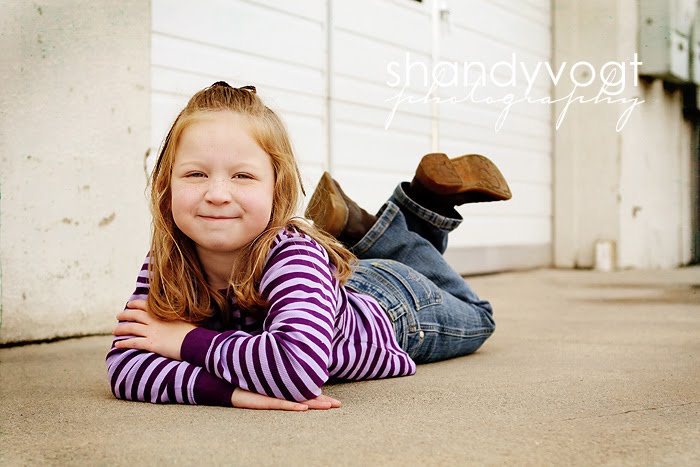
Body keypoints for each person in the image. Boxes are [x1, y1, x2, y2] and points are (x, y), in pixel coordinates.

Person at [107, 81, 511, 412]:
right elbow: (125, 367)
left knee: (479, 314)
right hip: (327, 290)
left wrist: (183, 341)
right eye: (195, 174)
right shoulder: (168, 258)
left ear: (278, 189)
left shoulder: (294, 254)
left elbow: (296, 369)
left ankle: (409, 215)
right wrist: (231, 393)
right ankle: (377, 227)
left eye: (242, 176)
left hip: (397, 308)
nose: (216, 194)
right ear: (166, 186)